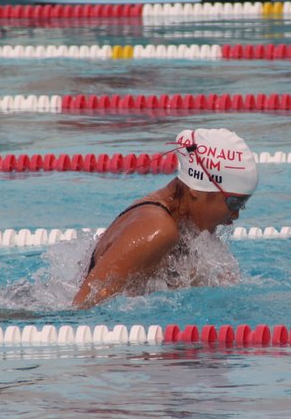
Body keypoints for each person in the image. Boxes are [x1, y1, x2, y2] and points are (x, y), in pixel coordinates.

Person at [73, 128, 259, 309]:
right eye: (234, 203)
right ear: (197, 189)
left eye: (243, 204)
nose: (236, 214)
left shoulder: (178, 223)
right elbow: (82, 310)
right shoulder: (158, 229)